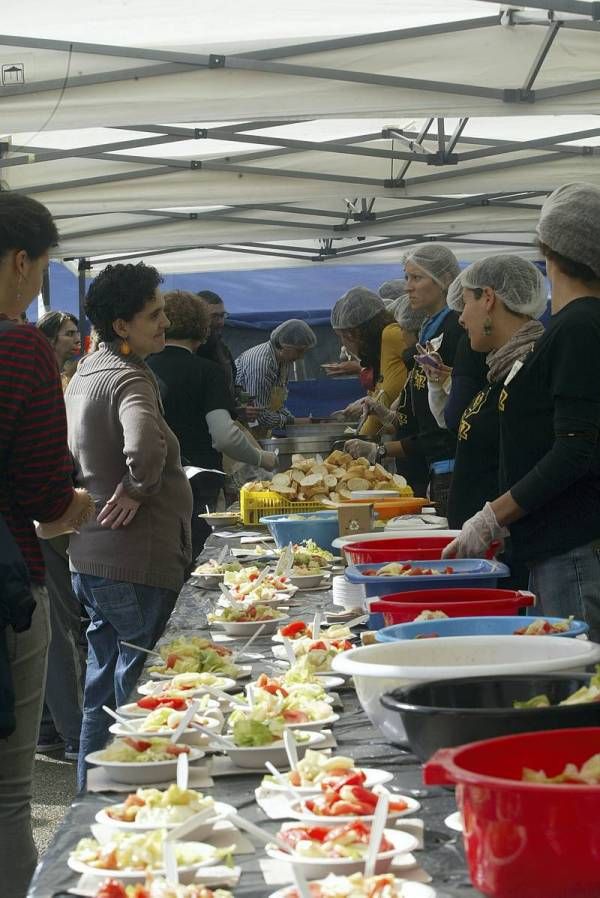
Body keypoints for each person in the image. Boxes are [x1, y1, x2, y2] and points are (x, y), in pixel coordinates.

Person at [444, 183, 600, 639]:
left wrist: (494, 515)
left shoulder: (578, 327)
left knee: (573, 695)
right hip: (557, 547)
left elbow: (576, 449)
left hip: (570, 549)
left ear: (549, 247)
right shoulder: (572, 326)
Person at [65, 262, 193, 790]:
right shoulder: (129, 376)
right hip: (133, 558)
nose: (165, 323)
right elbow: (145, 444)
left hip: (93, 555)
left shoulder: (85, 373)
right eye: (154, 315)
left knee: (103, 682)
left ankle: (92, 794)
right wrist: (139, 488)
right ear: (122, 325)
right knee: (140, 684)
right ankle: (137, 793)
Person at [0, 191, 93, 898]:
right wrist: (77, 504)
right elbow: (43, 496)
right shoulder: (17, 346)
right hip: (6, 589)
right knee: (7, 795)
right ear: (19, 261)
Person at [148, 290, 276, 560]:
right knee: (200, 557)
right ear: (201, 327)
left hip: (153, 484)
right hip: (200, 483)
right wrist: (262, 458)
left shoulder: (143, 367)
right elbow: (224, 436)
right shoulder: (207, 371)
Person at [345, 245, 466, 509]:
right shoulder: (429, 333)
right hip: (433, 464)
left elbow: (450, 419)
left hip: (454, 464)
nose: (408, 287)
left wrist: (383, 449)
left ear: (445, 279)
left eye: (417, 278)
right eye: (407, 277)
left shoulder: (457, 331)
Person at [434, 257, 546, 530]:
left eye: (465, 303)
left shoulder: (532, 369)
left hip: (513, 553)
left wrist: (494, 522)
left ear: (487, 298)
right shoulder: (499, 370)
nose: (460, 318)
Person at [35, 312, 86, 759]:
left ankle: (51, 729)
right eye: (69, 333)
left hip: (34, 520)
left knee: (48, 628)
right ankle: (73, 735)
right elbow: (52, 455)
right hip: (42, 520)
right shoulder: (45, 382)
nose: (76, 339)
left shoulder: (61, 379)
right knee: (59, 629)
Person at [331, 287, 410, 437]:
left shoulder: (390, 335)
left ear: (352, 333)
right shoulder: (378, 356)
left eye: (340, 336)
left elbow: (425, 362)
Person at [235, 319, 317, 437]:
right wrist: (294, 422)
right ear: (283, 345)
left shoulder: (283, 361)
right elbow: (260, 415)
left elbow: (277, 405)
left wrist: (293, 420)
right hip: (240, 429)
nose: (301, 357)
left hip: (255, 429)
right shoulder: (261, 364)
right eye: (299, 351)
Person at [196, 289, 237, 398]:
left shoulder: (222, 349)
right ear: (198, 317)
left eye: (222, 315)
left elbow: (232, 382)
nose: (220, 322)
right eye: (214, 316)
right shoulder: (191, 351)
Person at [36, 310, 81, 387]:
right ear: (49, 340)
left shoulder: (73, 374)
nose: (78, 340)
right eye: (70, 334)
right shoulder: (38, 379)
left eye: (77, 334)